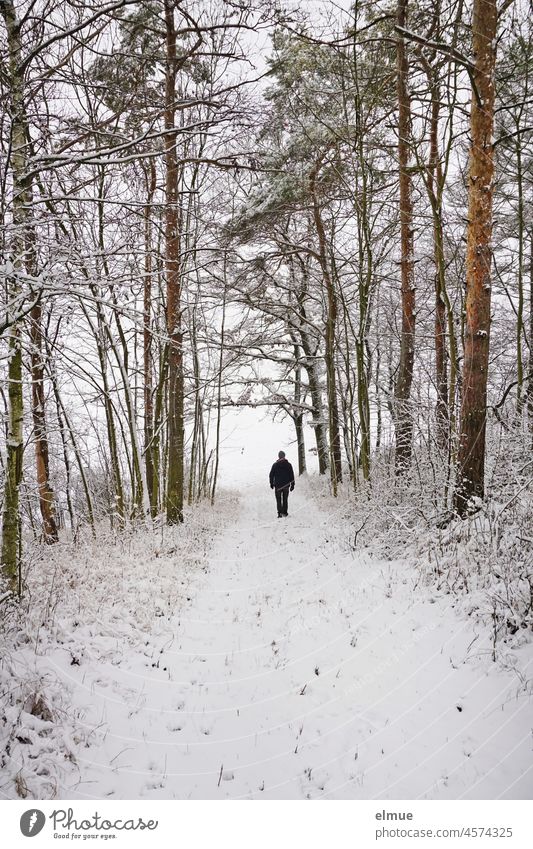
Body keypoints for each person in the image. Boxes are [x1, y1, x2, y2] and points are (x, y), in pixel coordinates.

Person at [269, 450, 295, 518]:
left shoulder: (275, 465)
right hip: (286, 485)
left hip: (278, 486)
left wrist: (271, 483)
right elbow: (291, 475)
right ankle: (285, 512)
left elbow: (271, 475)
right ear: (284, 456)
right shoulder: (289, 465)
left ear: (279, 456)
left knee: (278, 499)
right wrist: (292, 485)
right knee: (285, 499)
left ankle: (279, 513)